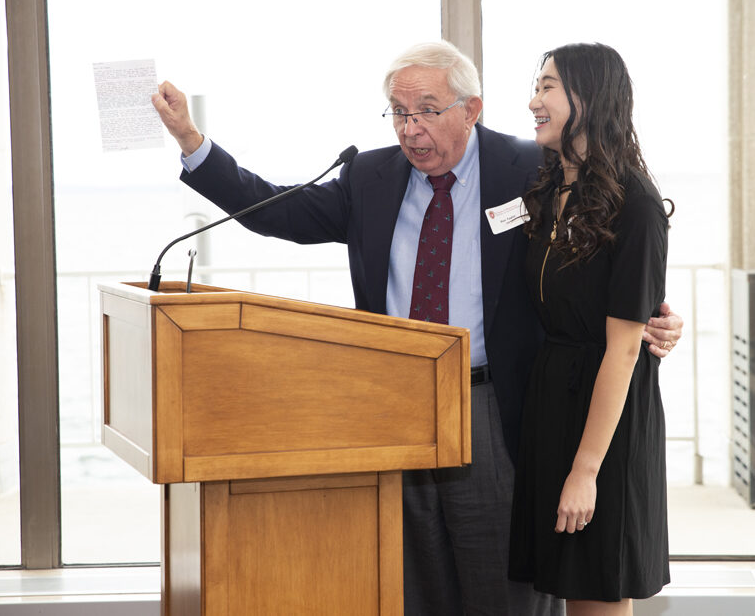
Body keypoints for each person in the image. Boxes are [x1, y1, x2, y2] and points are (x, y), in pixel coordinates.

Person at [151, 40, 682, 616]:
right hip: (393, 405)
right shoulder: (370, 177)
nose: (410, 128)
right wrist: (190, 142)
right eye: (399, 112)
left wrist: (656, 317)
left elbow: (600, 251)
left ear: (470, 109)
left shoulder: (531, 168)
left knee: (505, 589)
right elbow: (276, 208)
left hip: (496, 406)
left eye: (427, 110)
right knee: (410, 583)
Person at [508, 43, 671, 616]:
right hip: (553, 399)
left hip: (606, 421)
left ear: (588, 96)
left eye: (548, 86)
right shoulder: (552, 190)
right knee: (570, 584)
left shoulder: (637, 205)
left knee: (599, 588)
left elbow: (625, 351)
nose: (534, 100)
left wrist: (586, 470)